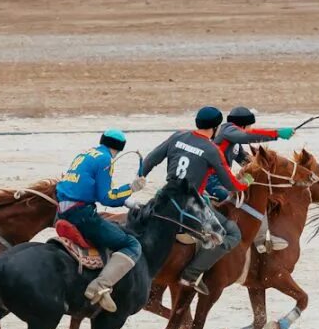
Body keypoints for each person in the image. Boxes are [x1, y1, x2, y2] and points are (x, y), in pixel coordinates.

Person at [138, 107, 250, 295]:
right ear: (215, 128)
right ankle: (191, 274)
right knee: (232, 234)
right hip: (190, 204)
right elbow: (230, 184)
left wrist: (140, 177)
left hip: (165, 194)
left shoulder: (177, 136)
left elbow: (149, 160)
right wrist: (245, 182)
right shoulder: (212, 149)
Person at [57, 129, 147, 312]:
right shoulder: (106, 160)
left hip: (62, 211)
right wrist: (131, 188)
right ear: (119, 148)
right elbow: (106, 198)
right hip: (82, 214)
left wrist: (127, 201)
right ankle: (99, 286)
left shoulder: (87, 153)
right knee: (131, 244)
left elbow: (91, 189)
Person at [213, 106, 296, 251]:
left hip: (223, 180)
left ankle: (259, 238)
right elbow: (246, 136)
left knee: (257, 190)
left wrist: (264, 161)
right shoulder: (228, 130)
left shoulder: (234, 142)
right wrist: (277, 134)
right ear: (243, 124)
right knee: (245, 199)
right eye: (250, 125)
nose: (251, 128)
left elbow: (247, 161)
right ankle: (254, 239)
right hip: (212, 183)